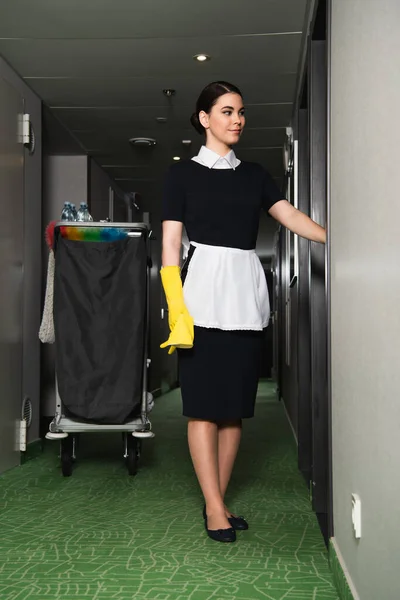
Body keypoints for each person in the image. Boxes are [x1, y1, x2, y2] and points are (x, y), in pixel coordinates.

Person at [160, 81, 326, 543]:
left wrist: (335, 236)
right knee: (202, 410)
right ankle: (214, 507)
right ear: (204, 118)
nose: (238, 120)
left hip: (245, 298)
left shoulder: (254, 174)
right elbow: (171, 245)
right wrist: (178, 309)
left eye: (241, 112)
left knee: (234, 411)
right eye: (228, 111)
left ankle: (219, 499)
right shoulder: (183, 175)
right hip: (202, 297)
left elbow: (288, 215)